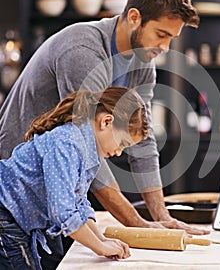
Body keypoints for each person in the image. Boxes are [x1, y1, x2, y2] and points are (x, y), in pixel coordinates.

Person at [0, 0, 209, 268]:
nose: (165, 48)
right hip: (19, 183)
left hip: (51, 190)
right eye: (161, 35)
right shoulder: (82, 50)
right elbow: (85, 146)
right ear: (134, 17)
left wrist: (161, 218)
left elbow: (143, 141)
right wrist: (138, 224)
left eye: (172, 39)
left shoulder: (142, 64)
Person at [0, 86, 150, 269]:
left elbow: (78, 203)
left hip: (15, 219)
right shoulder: (68, 144)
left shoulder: (88, 150)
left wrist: (101, 238)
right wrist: (100, 248)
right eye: (123, 143)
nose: (119, 152)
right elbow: (64, 212)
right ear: (106, 122)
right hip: (5, 217)